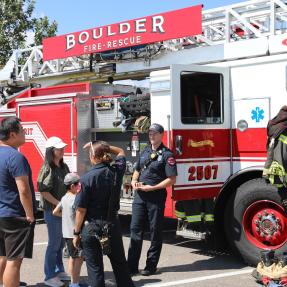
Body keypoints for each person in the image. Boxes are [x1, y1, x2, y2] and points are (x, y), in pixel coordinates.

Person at [73, 141, 134, 287]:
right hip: (112, 223)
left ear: (93, 156)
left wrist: (76, 233)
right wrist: (101, 146)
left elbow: (81, 210)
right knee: (120, 264)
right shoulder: (116, 171)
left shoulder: (86, 179)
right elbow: (120, 152)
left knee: (95, 269)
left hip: (92, 226)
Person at [127, 123, 177, 276]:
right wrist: (134, 181)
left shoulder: (168, 155)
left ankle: (150, 266)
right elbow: (136, 170)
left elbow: (171, 180)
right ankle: (131, 267)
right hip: (140, 197)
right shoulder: (145, 151)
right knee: (135, 230)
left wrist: (153, 187)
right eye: (150, 133)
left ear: (162, 135)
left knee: (155, 231)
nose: (151, 136)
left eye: (154, 133)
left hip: (155, 197)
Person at [0, 117, 36, 287]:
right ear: (13, 134)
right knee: (14, 261)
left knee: (3, 256)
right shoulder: (16, 157)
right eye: (22, 130)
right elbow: (24, 190)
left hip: (1, 214)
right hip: (15, 215)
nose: (24, 132)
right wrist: (29, 215)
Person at [37, 136, 70, 287]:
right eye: (59, 148)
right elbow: (43, 191)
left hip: (62, 211)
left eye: (63, 148)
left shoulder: (63, 167)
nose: (62, 150)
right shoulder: (47, 168)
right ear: (51, 151)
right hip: (53, 211)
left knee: (60, 242)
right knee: (54, 244)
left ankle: (58, 270)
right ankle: (49, 275)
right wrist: (59, 203)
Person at [53, 173, 84, 287]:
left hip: (66, 234)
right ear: (72, 186)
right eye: (78, 184)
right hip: (75, 234)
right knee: (79, 260)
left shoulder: (64, 198)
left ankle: (73, 281)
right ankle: (75, 284)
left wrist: (65, 215)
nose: (79, 186)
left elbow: (55, 212)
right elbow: (79, 215)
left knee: (72, 258)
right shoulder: (75, 198)